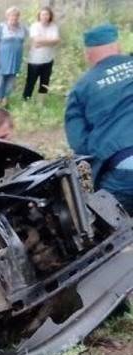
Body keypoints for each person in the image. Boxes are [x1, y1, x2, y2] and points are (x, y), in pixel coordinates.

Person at [65, 23, 133, 214]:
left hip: (123, 171)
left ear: (88, 55)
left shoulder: (82, 87)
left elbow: (80, 144)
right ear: (117, 46)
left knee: (108, 229)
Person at [0, 6, 27, 107]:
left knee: (11, 81)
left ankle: (6, 101)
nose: (14, 18)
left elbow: (23, 42)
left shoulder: (22, 28)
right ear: (7, 16)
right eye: (12, 15)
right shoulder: (1, 27)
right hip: (2, 59)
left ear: (18, 17)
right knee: (0, 79)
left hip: (15, 60)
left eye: (16, 15)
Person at [23, 6, 60, 103]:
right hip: (34, 60)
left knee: (45, 82)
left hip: (48, 59)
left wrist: (42, 42)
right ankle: (26, 101)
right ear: (39, 15)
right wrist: (50, 41)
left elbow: (57, 40)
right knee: (30, 82)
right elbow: (36, 40)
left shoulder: (53, 26)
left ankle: (41, 103)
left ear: (50, 16)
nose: (45, 16)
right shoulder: (35, 26)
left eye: (47, 14)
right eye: (43, 14)